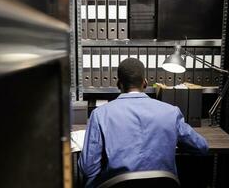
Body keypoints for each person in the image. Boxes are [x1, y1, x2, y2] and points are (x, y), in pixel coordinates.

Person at [78, 58, 208, 187]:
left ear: (119, 84)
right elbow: (201, 147)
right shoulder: (171, 112)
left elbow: (88, 168)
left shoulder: (100, 115)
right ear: (145, 83)